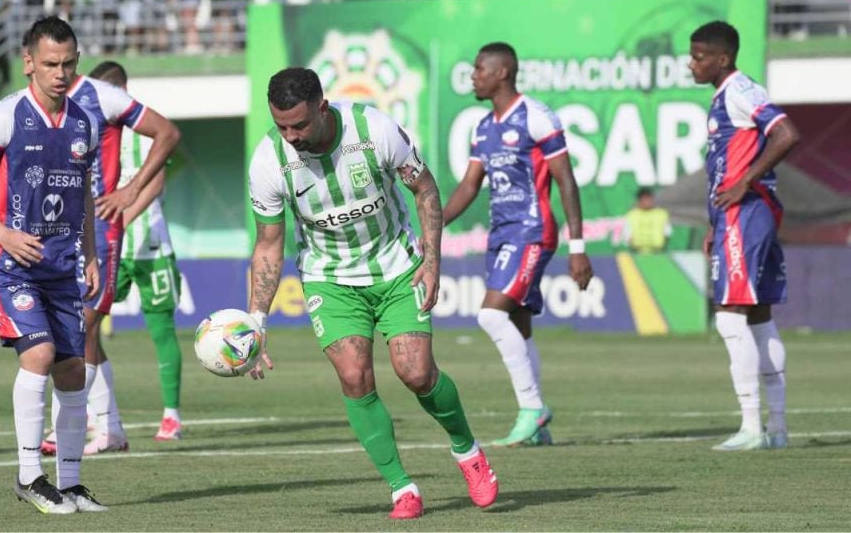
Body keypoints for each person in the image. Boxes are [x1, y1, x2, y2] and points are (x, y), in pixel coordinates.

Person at [246, 67, 498, 520]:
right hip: (330, 277)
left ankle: (468, 451)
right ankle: (402, 488)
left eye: (299, 125)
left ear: (322, 107)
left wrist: (432, 259)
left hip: (397, 265)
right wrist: (256, 321)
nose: (291, 136)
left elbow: (424, 189)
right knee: (353, 375)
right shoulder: (268, 160)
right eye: (282, 125)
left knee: (416, 373)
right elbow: (268, 244)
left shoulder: (373, 130)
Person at [0, 16, 107, 514]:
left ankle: (72, 483)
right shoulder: (3, 117)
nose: (60, 73)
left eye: (67, 64)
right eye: (49, 64)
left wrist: (89, 253)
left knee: (72, 369)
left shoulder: (84, 122)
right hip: (7, 262)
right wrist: (3, 234)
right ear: (28, 64)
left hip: (62, 263)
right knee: (38, 355)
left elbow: (82, 192)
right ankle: (27, 476)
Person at [442, 42, 594, 448]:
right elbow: (470, 185)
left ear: (502, 72)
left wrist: (577, 246)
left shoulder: (537, 117)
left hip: (531, 231)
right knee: (520, 327)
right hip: (501, 234)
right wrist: (433, 224)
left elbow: (566, 182)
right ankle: (538, 426)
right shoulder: (484, 127)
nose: (473, 76)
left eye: (479, 69)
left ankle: (531, 408)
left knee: (491, 317)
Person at [41, 55, 180, 457]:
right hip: (68, 225)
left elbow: (167, 140)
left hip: (117, 232)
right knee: (83, 332)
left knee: (84, 327)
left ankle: (68, 426)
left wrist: (128, 194)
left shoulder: (113, 108)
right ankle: (111, 427)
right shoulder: (47, 105)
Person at [688, 20, 800, 451]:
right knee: (758, 316)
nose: (691, 64)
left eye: (699, 57)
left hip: (747, 211)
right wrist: (715, 225)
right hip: (740, 215)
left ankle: (752, 427)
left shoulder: (738, 89)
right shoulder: (724, 98)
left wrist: (745, 183)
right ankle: (778, 429)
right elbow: (724, 166)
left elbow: (786, 133)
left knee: (730, 314)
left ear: (723, 58)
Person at [93, 60, 186, 441]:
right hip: (105, 244)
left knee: (161, 329)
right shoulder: (95, 131)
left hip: (148, 244)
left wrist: (123, 216)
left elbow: (158, 178)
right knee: (85, 327)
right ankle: (93, 409)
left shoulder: (144, 127)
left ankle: (171, 415)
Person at [624, 187, 672, 254]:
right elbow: (627, 234)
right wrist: (635, 248)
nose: (647, 201)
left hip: (658, 253)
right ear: (639, 200)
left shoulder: (661, 214)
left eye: (649, 198)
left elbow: (667, 233)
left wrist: (660, 247)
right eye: (644, 199)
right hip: (638, 253)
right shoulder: (631, 214)